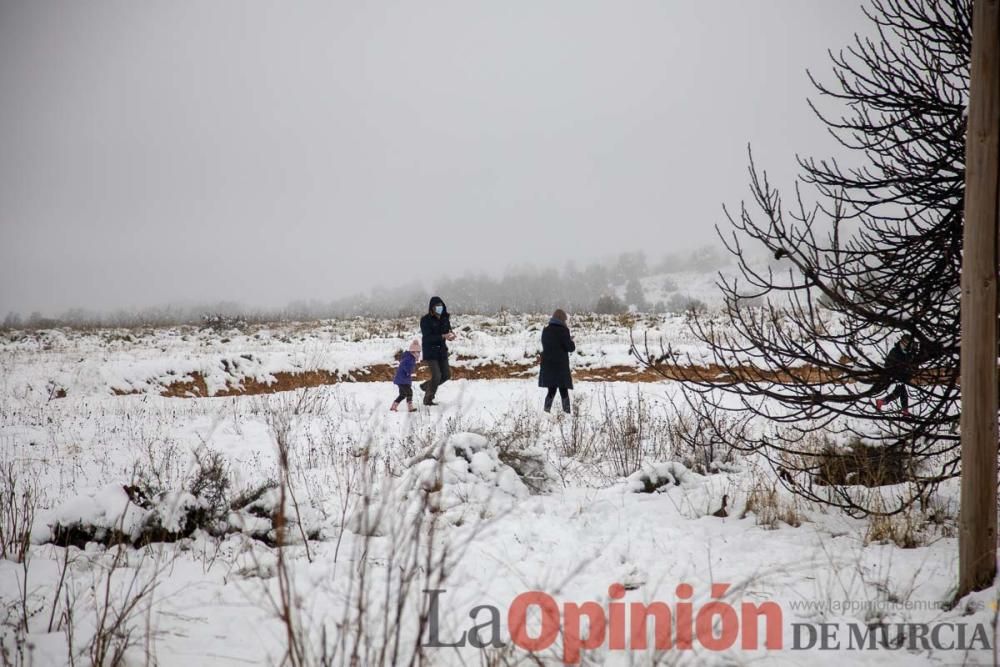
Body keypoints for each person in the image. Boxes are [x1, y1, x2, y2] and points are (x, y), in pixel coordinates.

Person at [419, 296, 455, 406]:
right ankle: (428, 399)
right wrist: (442, 336)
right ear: (432, 308)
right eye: (436, 306)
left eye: (441, 306)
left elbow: (448, 330)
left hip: (442, 351)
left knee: (446, 375)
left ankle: (427, 386)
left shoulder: (445, 318)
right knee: (437, 375)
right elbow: (427, 337)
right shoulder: (425, 320)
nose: (439, 308)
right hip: (430, 351)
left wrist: (451, 335)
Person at [539, 308, 575, 413]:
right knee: (563, 390)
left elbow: (546, 346)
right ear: (563, 319)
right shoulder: (564, 331)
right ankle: (567, 413)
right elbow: (570, 348)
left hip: (548, 364)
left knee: (551, 390)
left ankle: (546, 411)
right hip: (560, 365)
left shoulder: (546, 330)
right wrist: (571, 341)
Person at [875, 334, 918, 416]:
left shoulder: (910, 351)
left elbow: (913, 362)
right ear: (902, 341)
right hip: (896, 375)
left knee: (900, 392)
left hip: (905, 375)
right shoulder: (895, 351)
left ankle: (882, 402)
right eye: (906, 342)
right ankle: (903, 410)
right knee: (901, 392)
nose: (907, 344)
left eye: (909, 342)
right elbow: (888, 364)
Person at [391, 339, 421, 412]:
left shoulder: (410, 357)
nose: (418, 354)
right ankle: (410, 407)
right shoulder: (408, 358)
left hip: (403, 379)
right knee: (409, 393)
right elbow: (404, 365)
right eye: (416, 352)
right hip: (402, 380)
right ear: (412, 352)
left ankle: (393, 406)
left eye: (419, 352)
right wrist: (408, 372)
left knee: (403, 394)